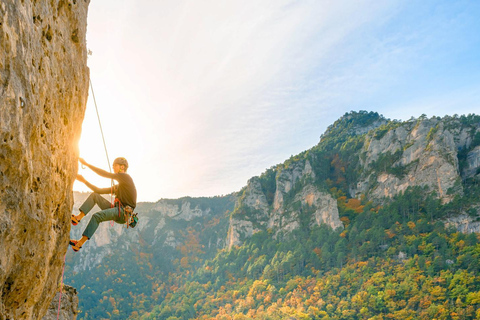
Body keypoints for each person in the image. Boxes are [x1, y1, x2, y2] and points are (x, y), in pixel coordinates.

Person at [70, 157, 137, 251]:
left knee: (97, 216)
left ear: (122, 167)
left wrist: (87, 164)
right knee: (95, 196)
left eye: (115, 165)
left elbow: (104, 174)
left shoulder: (125, 177)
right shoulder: (120, 186)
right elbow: (98, 190)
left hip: (122, 212)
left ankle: (80, 243)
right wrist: (84, 181)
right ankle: (78, 218)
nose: (113, 167)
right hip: (118, 210)